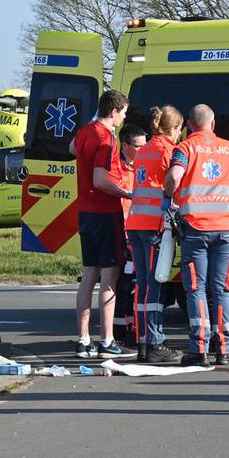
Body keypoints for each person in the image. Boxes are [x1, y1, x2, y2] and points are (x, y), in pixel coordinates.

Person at [164, 104, 229, 366]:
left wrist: (171, 196)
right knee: (223, 291)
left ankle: (199, 349)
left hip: (196, 229)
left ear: (188, 124)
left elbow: (174, 175)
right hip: (228, 230)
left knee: (196, 289)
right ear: (213, 123)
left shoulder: (185, 148)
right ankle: (224, 349)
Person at [70, 90, 133, 360]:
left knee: (88, 276)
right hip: (105, 213)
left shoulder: (85, 131)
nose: (124, 118)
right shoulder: (107, 138)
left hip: (85, 212)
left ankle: (83, 339)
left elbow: (72, 148)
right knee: (109, 277)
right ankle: (107, 340)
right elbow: (100, 180)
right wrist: (128, 193)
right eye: (124, 113)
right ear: (114, 111)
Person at [125, 107, 184, 363]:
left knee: (142, 284)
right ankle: (154, 342)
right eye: (180, 129)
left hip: (136, 223)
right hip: (153, 226)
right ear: (174, 128)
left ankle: (143, 340)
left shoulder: (145, 149)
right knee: (155, 285)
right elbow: (174, 184)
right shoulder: (168, 151)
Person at [112, 123, 148, 345]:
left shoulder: (145, 166)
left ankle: (134, 329)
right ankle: (120, 332)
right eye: (138, 146)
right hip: (123, 235)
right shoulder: (116, 169)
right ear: (125, 145)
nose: (143, 151)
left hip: (141, 234)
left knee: (137, 286)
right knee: (123, 287)